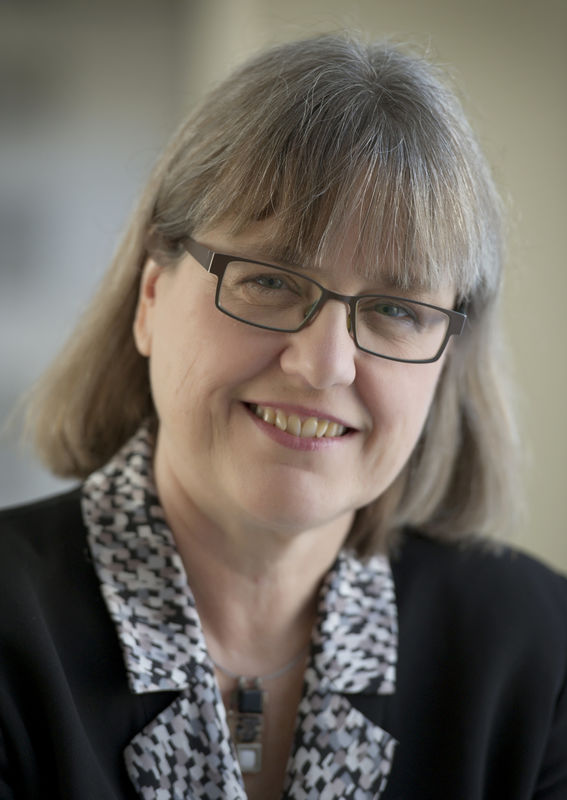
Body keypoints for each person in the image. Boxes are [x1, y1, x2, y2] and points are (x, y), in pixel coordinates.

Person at [0, 33, 565, 800]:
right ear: (151, 301)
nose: (324, 364)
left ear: (444, 361)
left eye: (396, 307)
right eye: (269, 279)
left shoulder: (542, 650)